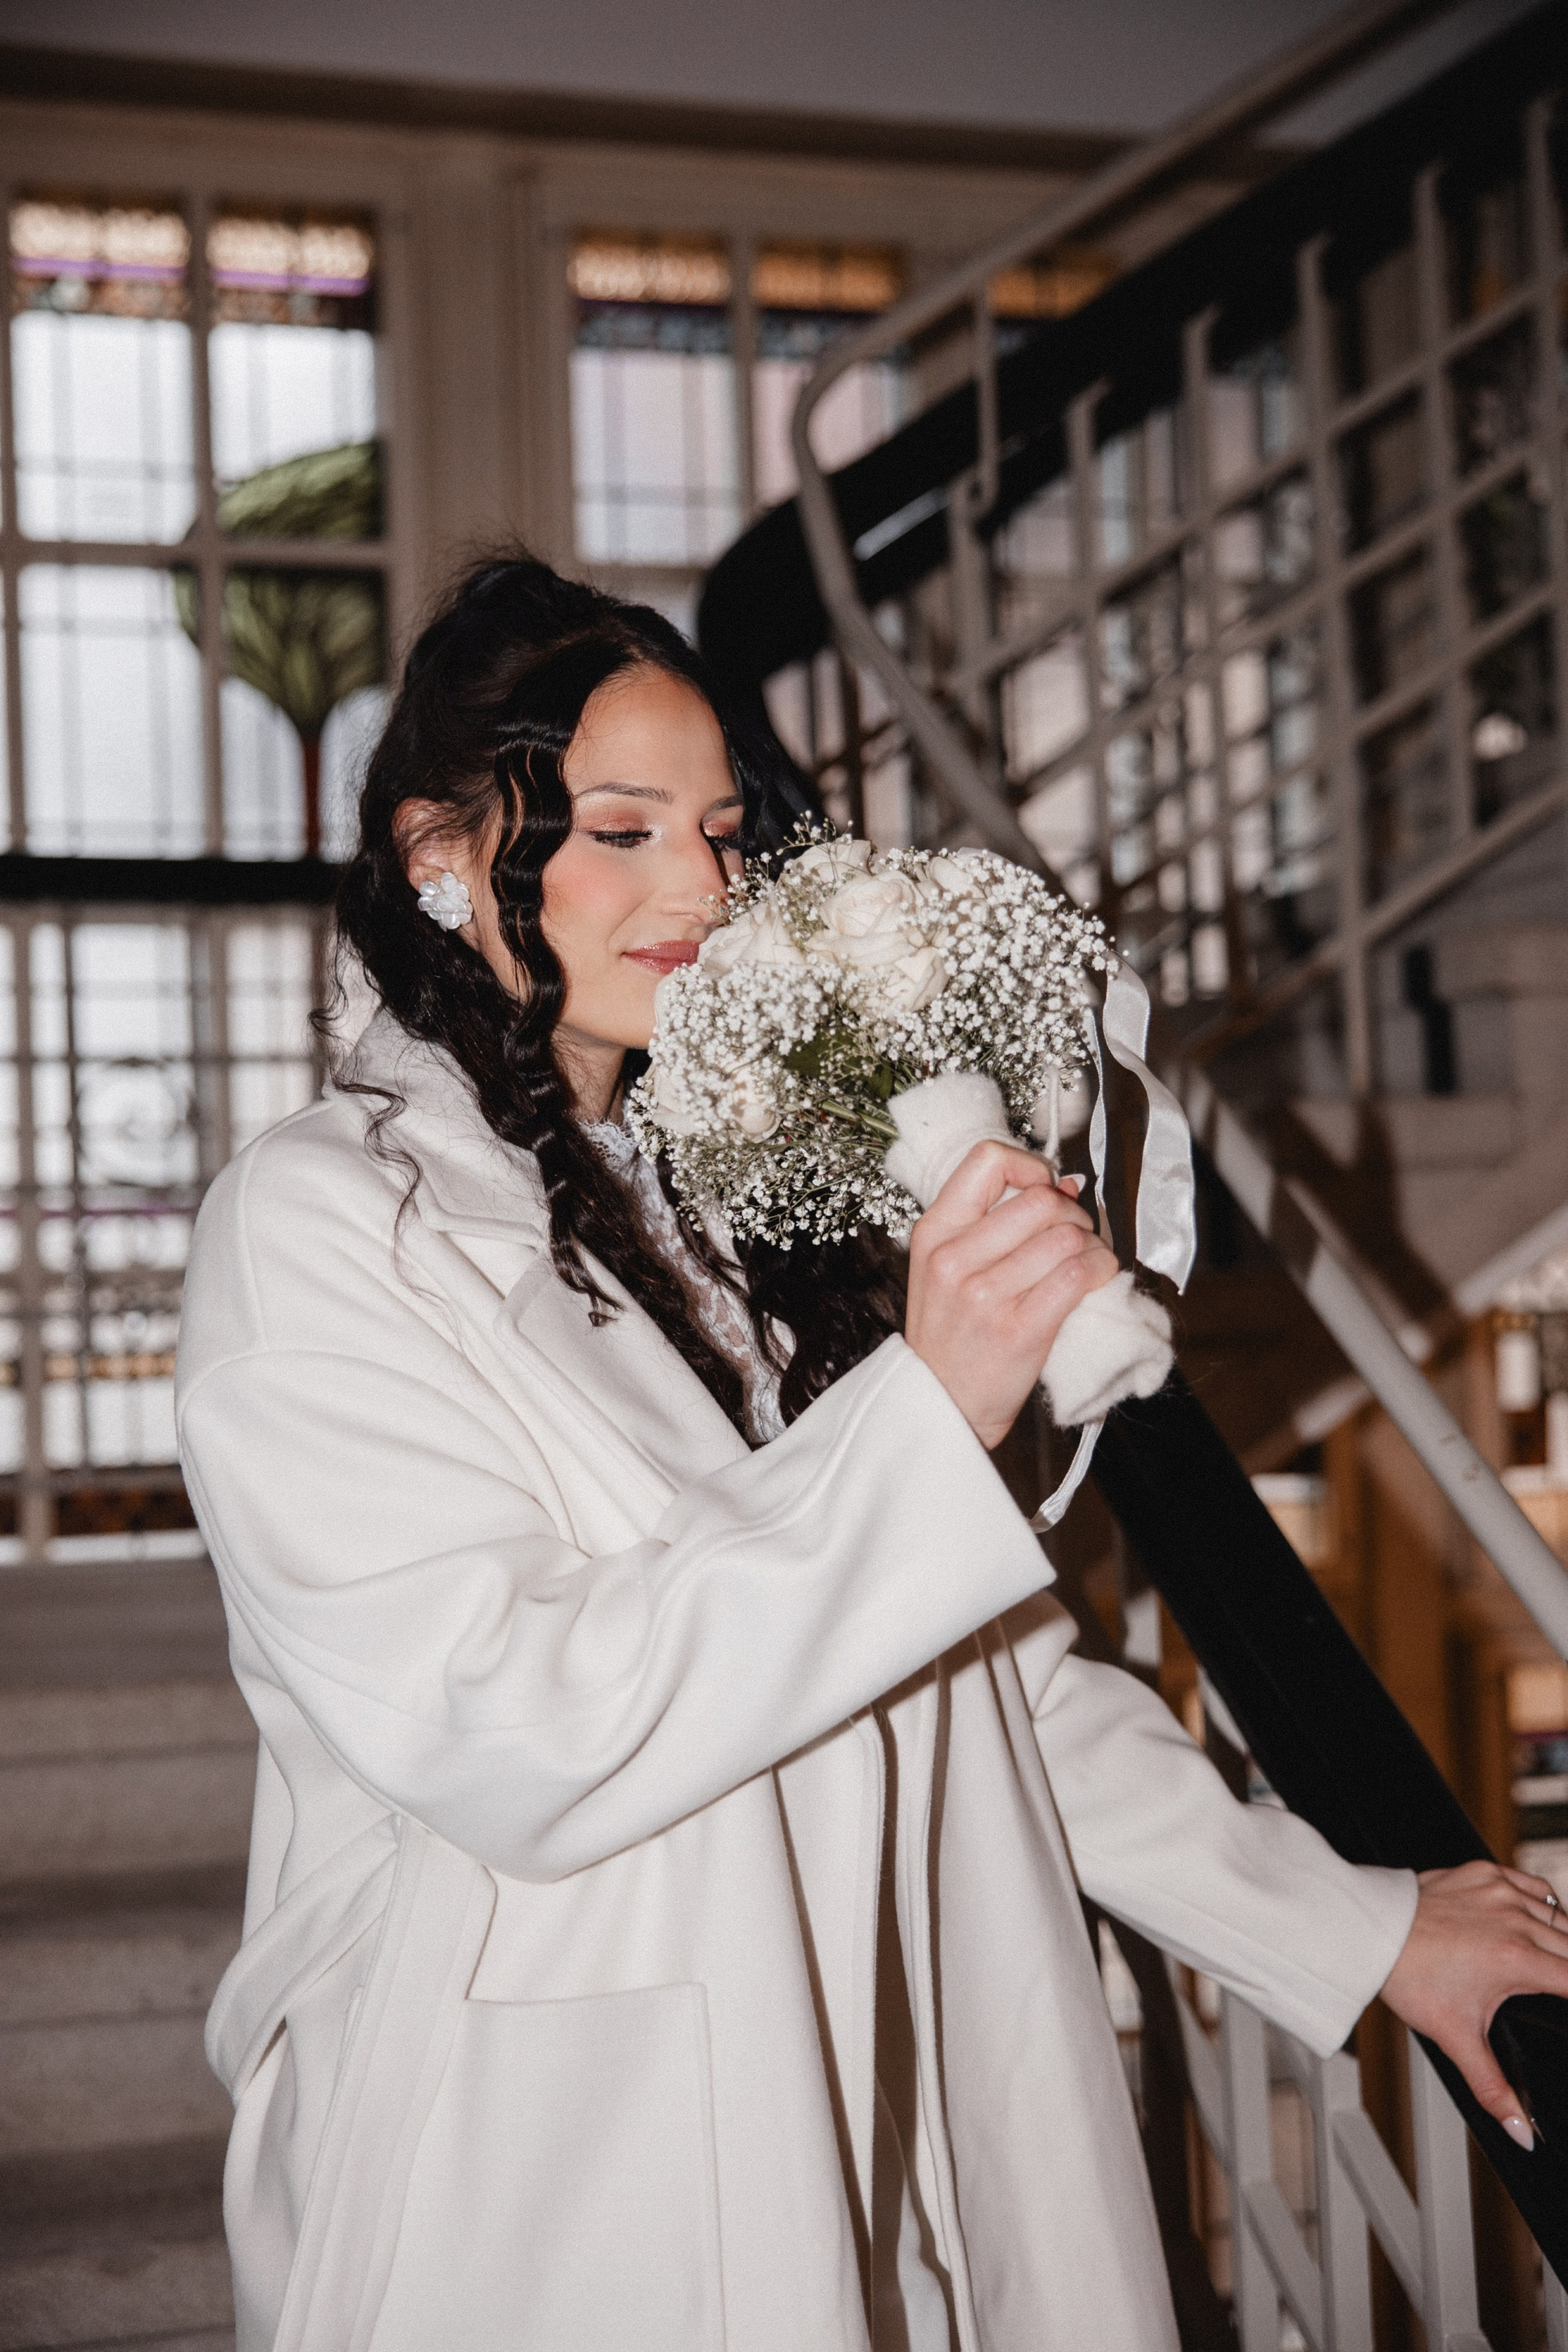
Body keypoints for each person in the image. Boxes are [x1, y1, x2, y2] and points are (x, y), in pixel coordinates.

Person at [176, 554, 1568, 2352]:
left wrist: (1359, 1927)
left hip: (859, 2055)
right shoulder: (315, 1226)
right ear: (440, 847)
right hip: (554, 2139)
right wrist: (931, 1407)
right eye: (619, 829)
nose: (699, 886)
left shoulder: (702, 1208)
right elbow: (503, 1722)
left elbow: (978, 1674)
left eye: (721, 830)